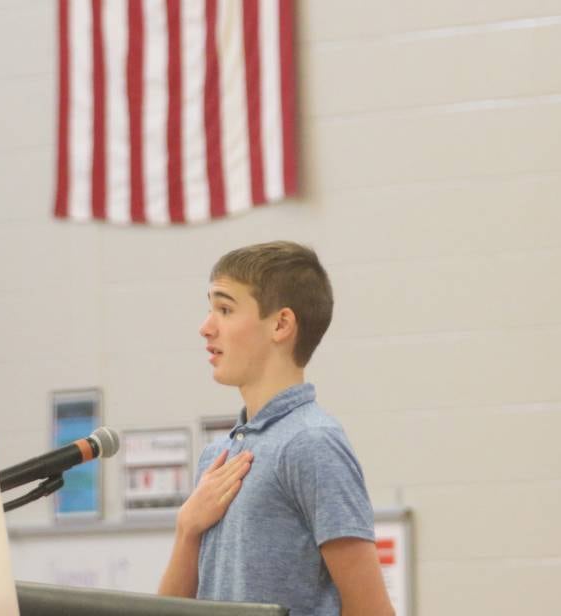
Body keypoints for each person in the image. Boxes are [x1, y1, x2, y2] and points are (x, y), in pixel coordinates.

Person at [158, 241, 394, 616]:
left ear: (281, 324)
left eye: (224, 309)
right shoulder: (215, 458)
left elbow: (372, 610)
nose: (206, 328)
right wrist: (188, 529)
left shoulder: (312, 442)